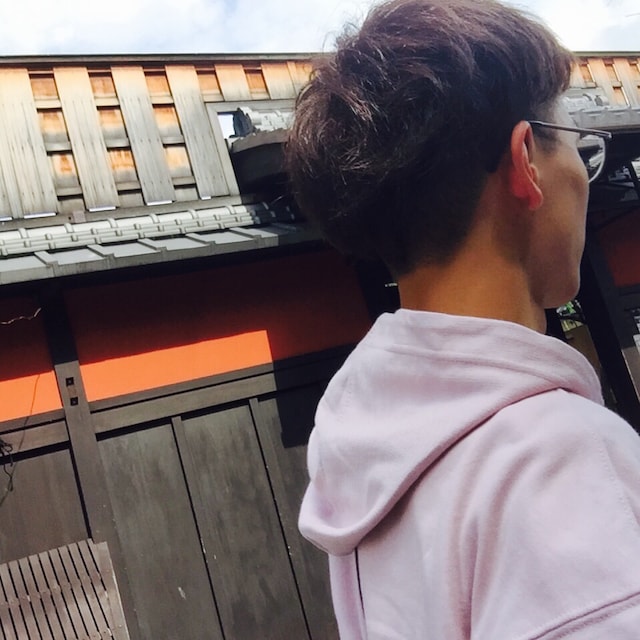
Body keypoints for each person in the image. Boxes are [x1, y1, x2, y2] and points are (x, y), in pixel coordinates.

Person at [285, 0, 640, 638]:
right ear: (526, 161)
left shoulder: (361, 461)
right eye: (580, 149)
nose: (584, 178)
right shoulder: (557, 459)